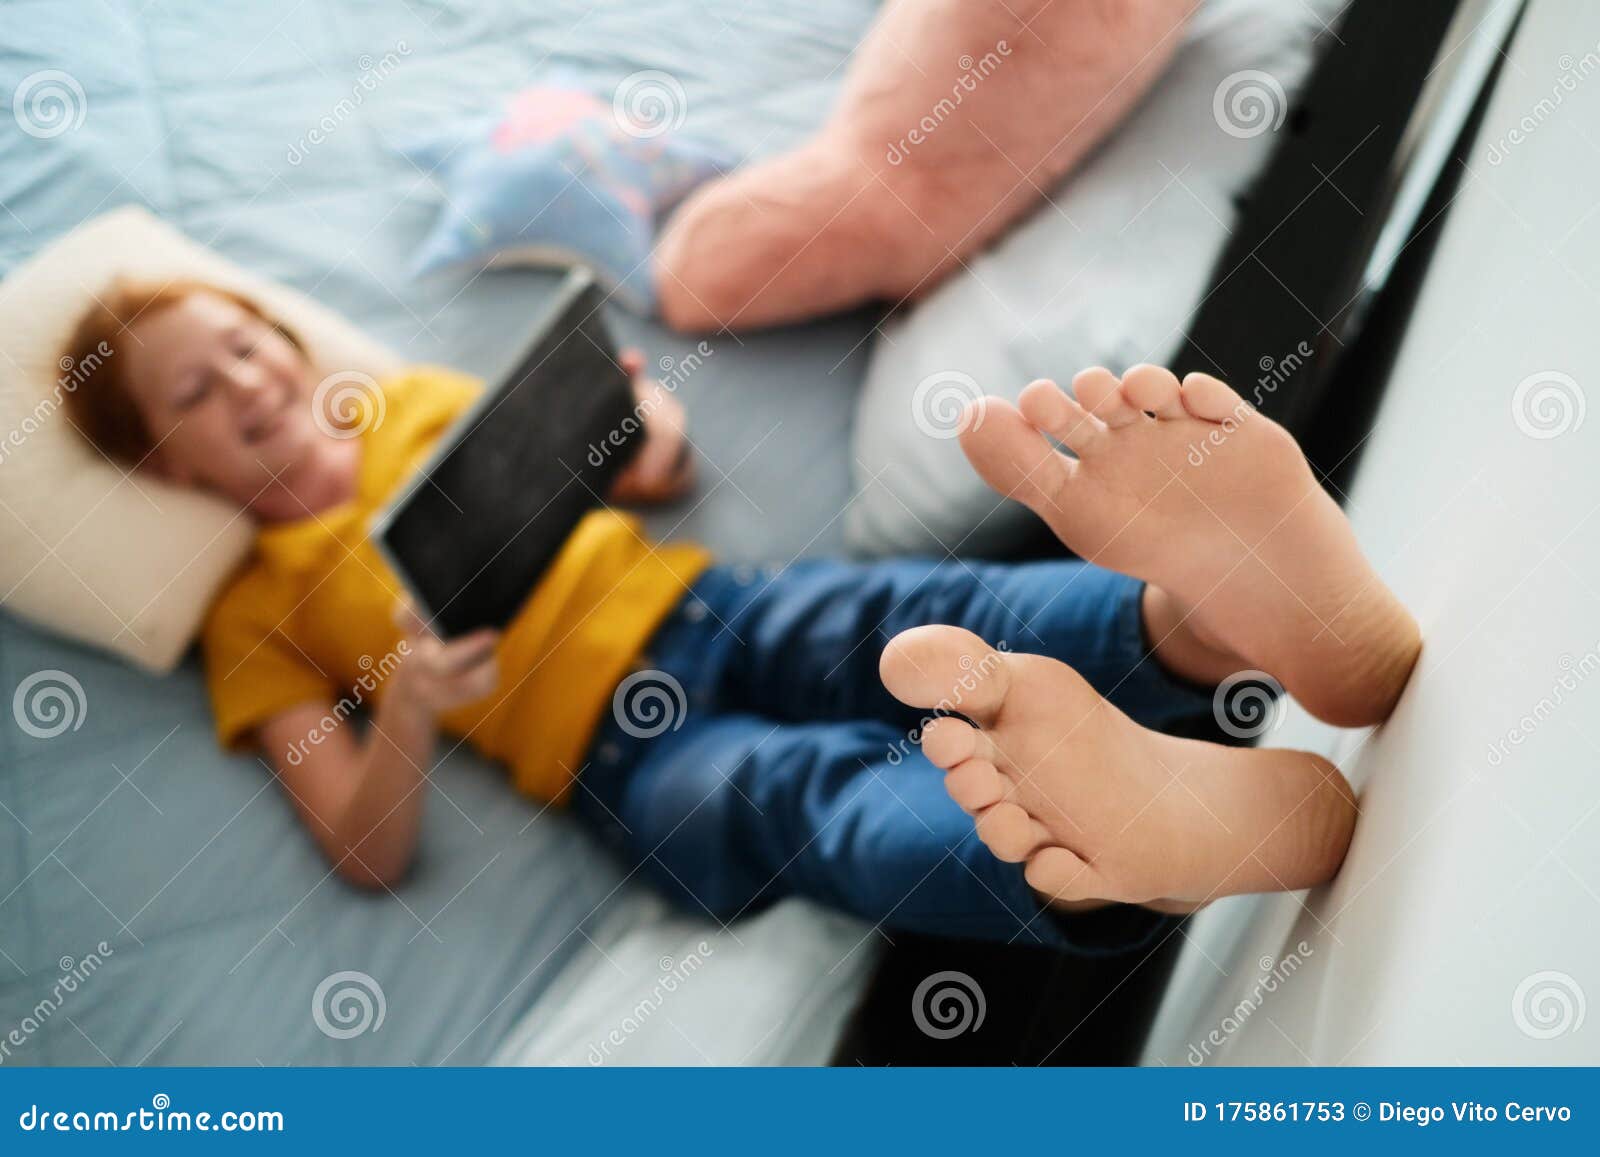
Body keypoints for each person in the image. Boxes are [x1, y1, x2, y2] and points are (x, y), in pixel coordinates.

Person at [59, 279, 1418, 952]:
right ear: (166, 470)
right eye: (190, 393)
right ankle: (1106, 839)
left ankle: (1207, 620)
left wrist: (632, 421)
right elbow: (363, 844)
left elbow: (664, 473)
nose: (241, 379)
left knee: (930, 613)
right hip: (628, 755)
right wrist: (407, 698)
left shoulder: (418, 406)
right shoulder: (250, 619)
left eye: (245, 341)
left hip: (718, 607)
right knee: (804, 801)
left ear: (289, 347)